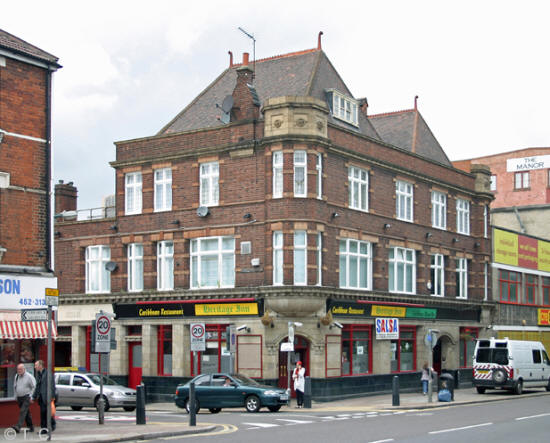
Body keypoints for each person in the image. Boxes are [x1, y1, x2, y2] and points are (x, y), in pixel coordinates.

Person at [32, 360, 56, 434]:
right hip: (41, 397)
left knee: (46, 413)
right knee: (43, 413)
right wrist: (34, 396)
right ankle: (45, 428)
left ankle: (50, 425)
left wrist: (52, 396)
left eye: (36, 365)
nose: (35, 367)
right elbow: (37, 386)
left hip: (47, 397)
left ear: (40, 366)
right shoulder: (39, 374)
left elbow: (52, 385)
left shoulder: (48, 373)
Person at [12, 363, 36, 433]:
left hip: (26, 396)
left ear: (24, 369)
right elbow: (15, 386)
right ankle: (31, 427)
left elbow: (34, 386)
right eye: (18, 369)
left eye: (20, 369)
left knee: (23, 411)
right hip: (19, 397)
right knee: (26, 413)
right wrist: (15, 395)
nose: (19, 371)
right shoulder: (16, 376)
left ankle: (18, 426)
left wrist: (31, 396)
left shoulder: (29, 376)